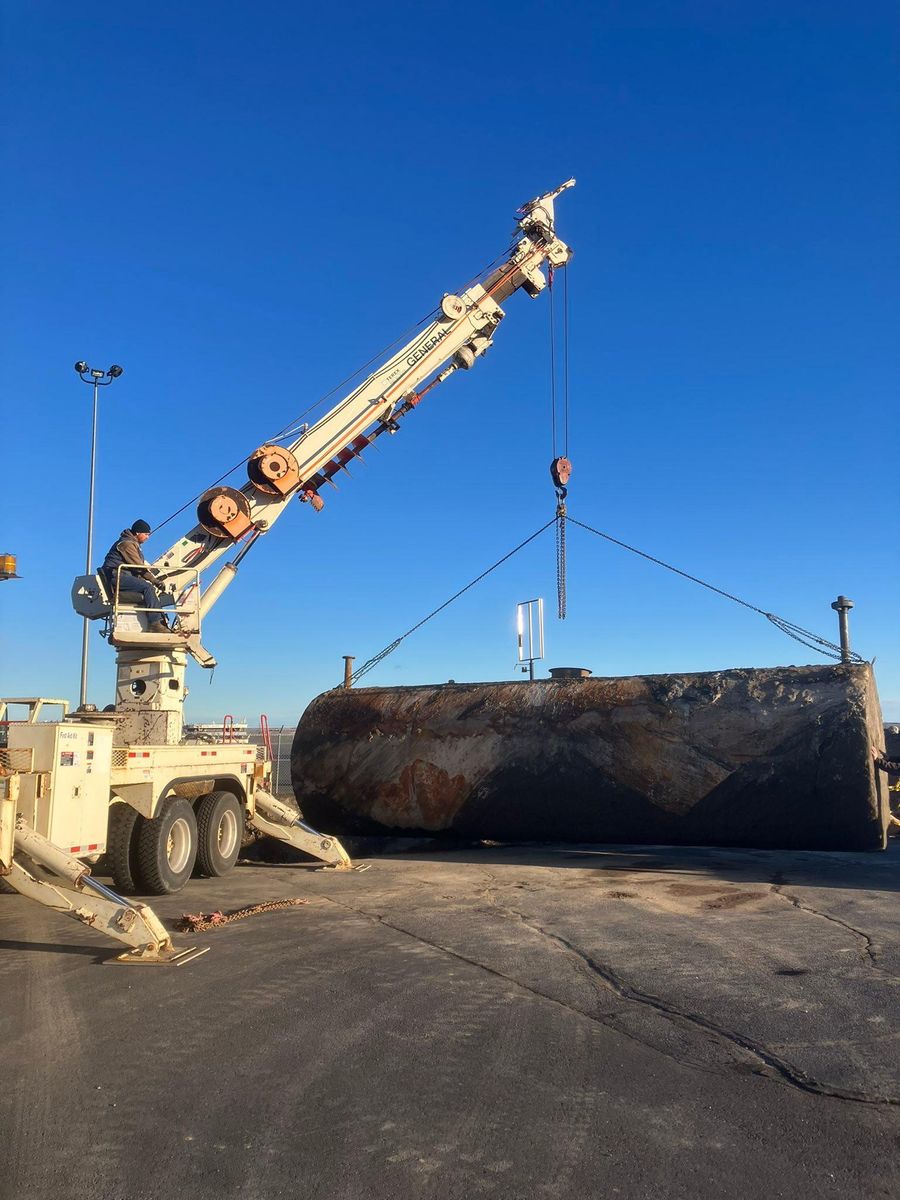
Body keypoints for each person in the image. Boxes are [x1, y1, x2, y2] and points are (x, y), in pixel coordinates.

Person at [100, 520, 172, 634]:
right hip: (117, 577)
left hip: (122, 576)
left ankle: (159, 621)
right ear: (138, 533)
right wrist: (155, 581)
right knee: (148, 588)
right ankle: (155, 624)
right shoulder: (127, 544)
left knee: (148, 588)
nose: (148, 537)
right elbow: (138, 567)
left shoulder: (131, 543)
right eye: (146, 534)